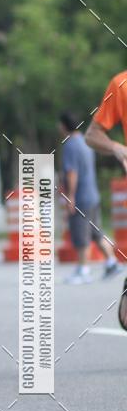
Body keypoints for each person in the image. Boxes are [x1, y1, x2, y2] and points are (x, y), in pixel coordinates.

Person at [58, 112, 118, 284]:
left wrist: (70, 196)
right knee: (96, 233)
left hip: (81, 197)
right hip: (93, 195)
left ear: (64, 126)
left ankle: (83, 270)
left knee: (80, 234)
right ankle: (111, 262)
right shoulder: (85, 142)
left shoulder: (70, 145)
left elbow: (72, 172)